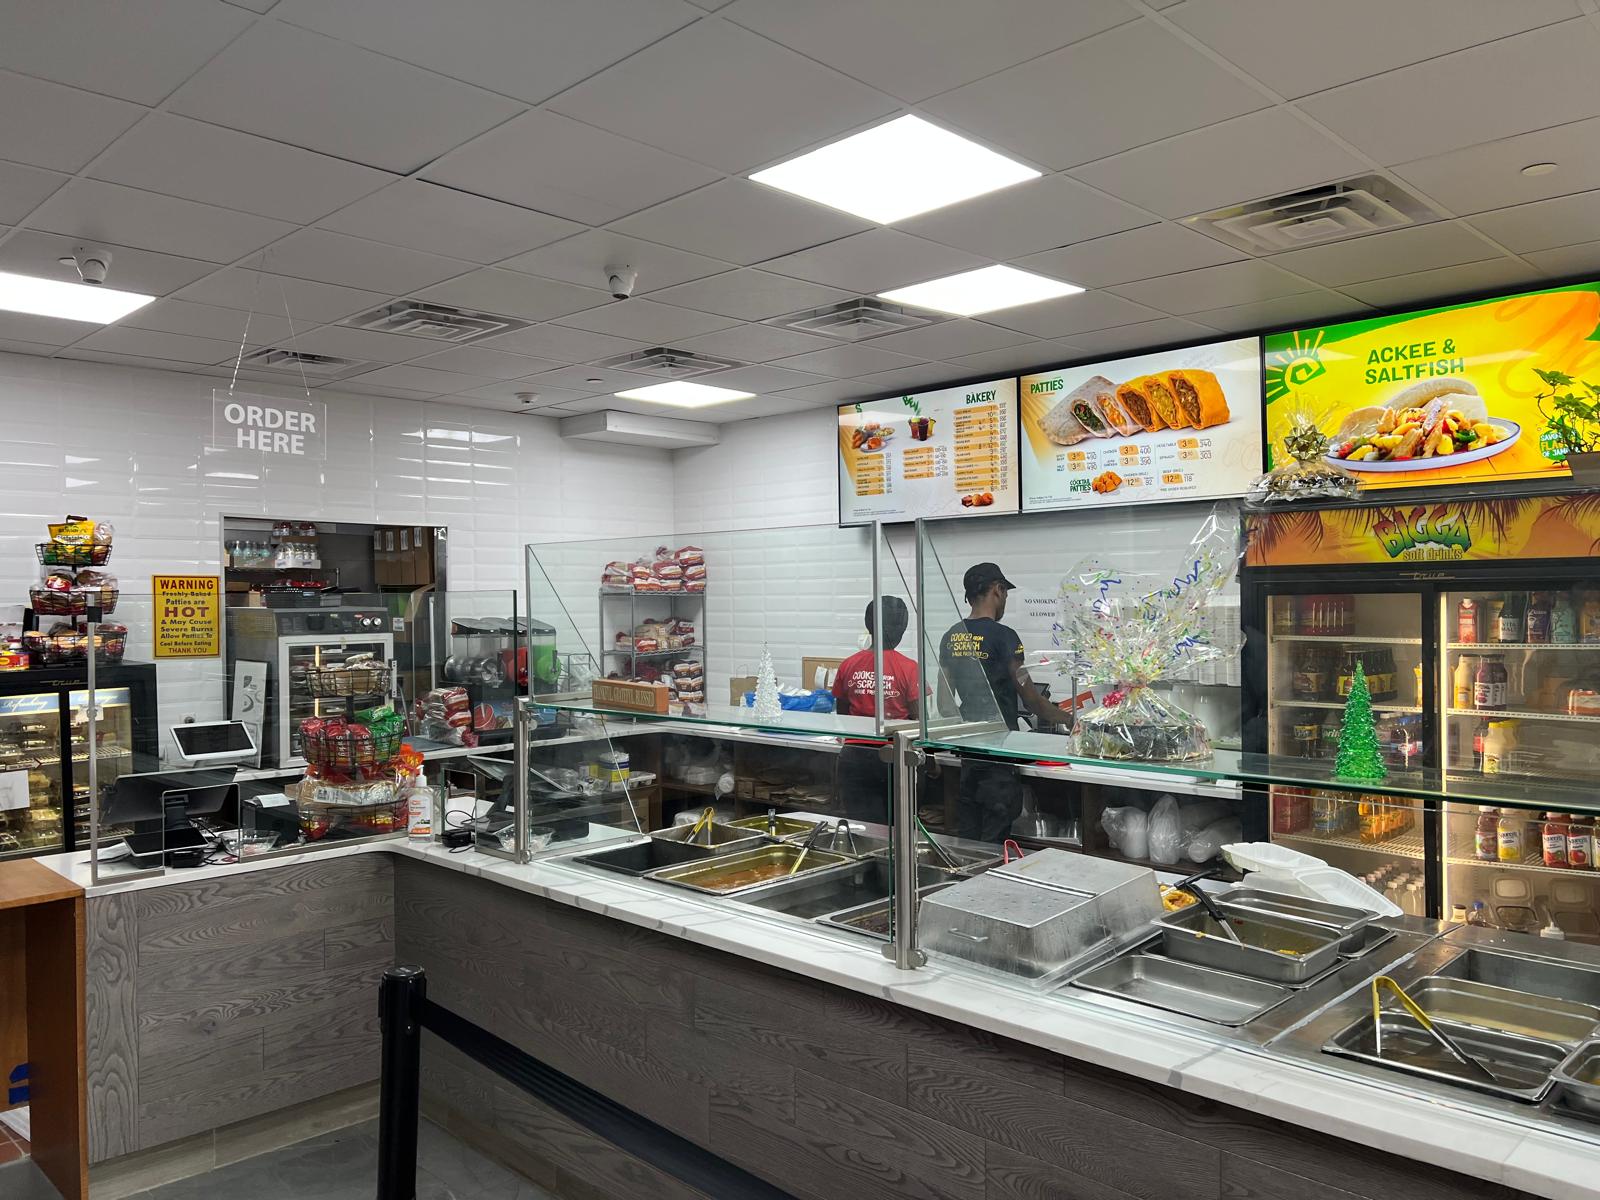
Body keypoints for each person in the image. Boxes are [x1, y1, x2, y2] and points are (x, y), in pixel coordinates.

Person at [938, 562, 1071, 842]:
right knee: (995, 849)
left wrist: (967, 732)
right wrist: (1071, 720)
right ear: (997, 590)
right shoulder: (1005, 637)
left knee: (968, 846)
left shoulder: (951, 636)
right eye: (1006, 593)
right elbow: (1032, 701)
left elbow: (944, 704)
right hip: (998, 765)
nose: (1006, 600)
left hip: (968, 761)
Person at [831, 597, 922, 822]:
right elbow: (918, 721)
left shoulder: (848, 665)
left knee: (861, 827)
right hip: (892, 758)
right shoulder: (909, 668)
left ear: (868, 624)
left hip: (853, 757)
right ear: (901, 628)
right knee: (896, 828)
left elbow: (842, 713)